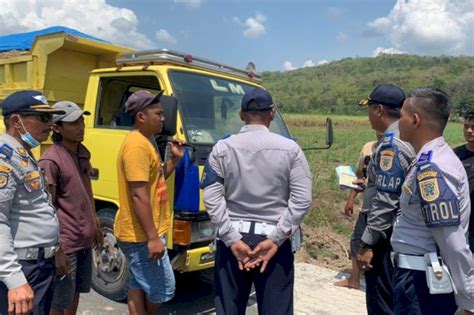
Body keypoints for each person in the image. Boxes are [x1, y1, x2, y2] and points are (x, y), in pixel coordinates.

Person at [202, 87, 312, 315]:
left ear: (241, 114)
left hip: (232, 241)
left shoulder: (222, 148)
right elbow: (302, 200)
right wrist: (276, 239)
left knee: (228, 308)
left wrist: (232, 239)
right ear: (271, 112)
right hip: (274, 243)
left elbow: (212, 198)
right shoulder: (291, 150)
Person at [392, 87, 474, 315]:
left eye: (402, 116)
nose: (398, 122)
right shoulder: (427, 159)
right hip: (416, 278)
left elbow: (452, 241)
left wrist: (468, 301)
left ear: (415, 120)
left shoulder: (433, 168)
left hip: (421, 285)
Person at [114, 90, 184, 315]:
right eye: (158, 113)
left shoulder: (147, 142)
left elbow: (157, 180)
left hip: (147, 232)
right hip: (141, 236)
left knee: (138, 284)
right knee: (164, 289)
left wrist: (174, 160)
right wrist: (153, 238)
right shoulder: (136, 146)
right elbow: (138, 195)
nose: (163, 118)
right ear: (141, 117)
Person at [0, 90, 65, 315]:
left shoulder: (23, 154)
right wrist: (15, 280)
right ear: (16, 121)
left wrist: (54, 249)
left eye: (52, 118)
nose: (50, 125)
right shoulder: (4, 157)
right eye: (43, 118)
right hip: (22, 267)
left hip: (39, 264)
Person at [38, 101, 103, 315]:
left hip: (83, 241)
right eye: (73, 123)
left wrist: (95, 225)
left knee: (75, 294)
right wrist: (56, 250)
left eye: (81, 121)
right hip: (66, 244)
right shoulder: (51, 160)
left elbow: (86, 193)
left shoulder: (82, 153)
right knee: (59, 301)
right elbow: (46, 210)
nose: (81, 126)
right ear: (57, 127)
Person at [356, 84, 415, 314]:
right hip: (396, 232)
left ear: (379, 109)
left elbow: (386, 201)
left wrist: (368, 243)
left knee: (382, 300)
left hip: (385, 235)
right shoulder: (404, 137)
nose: (369, 114)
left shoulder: (391, 145)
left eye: (369, 108)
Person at [334, 131, 382, 289]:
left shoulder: (396, 150)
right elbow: (359, 175)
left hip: (384, 208)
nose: (380, 132)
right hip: (367, 207)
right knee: (357, 240)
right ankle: (354, 279)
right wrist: (350, 200)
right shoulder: (368, 148)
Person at [453, 109, 474, 252]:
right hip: (462, 219)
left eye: (473, 127)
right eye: (466, 127)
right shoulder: (454, 155)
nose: (469, 131)